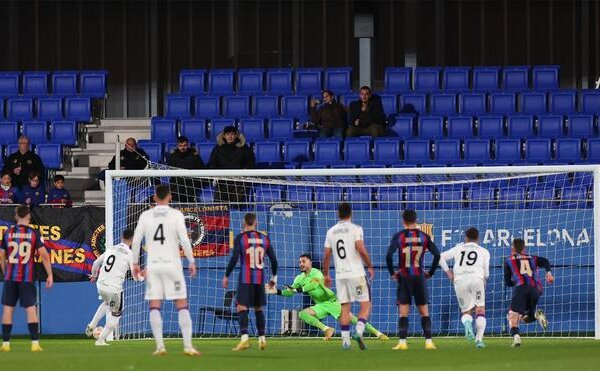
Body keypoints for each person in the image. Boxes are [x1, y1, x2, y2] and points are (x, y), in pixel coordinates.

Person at [131, 184, 199, 356]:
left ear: (154, 198)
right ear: (170, 197)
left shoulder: (145, 215)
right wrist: (191, 261)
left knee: (155, 305)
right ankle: (188, 346)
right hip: (173, 266)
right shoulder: (176, 215)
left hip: (153, 266)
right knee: (182, 304)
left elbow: (137, 240)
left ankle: (160, 347)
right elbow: (184, 239)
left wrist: (135, 264)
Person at [269, 253, 387, 341]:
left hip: (332, 302)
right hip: (321, 305)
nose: (301, 264)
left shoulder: (317, 273)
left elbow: (313, 285)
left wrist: (297, 289)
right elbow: (290, 292)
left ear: (310, 263)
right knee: (302, 314)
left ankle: (378, 334)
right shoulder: (299, 278)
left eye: (303, 261)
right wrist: (276, 291)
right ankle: (327, 329)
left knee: (353, 320)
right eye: (300, 262)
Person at [0, 205, 53, 352]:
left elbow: (1, 257)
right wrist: (50, 275)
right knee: (31, 309)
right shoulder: (33, 233)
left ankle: (5, 344)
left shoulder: (8, 233)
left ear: (16, 216)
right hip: (27, 278)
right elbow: (44, 256)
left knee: (7, 310)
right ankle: (35, 344)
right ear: (28, 216)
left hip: (11, 277)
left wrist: (6, 273)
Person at [385, 209, 441, 351]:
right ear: (416, 220)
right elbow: (437, 255)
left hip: (404, 277)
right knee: (424, 311)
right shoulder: (424, 236)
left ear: (403, 221)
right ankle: (429, 342)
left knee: (403, 312)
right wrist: (431, 272)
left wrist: (393, 273)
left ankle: (402, 342)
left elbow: (389, 256)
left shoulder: (399, 236)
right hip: (419, 277)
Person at [322, 203, 374, 350]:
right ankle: (358, 331)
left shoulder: (331, 231)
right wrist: (370, 265)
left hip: (340, 275)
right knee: (365, 304)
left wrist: (326, 275)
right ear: (351, 214)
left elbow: (326, 255)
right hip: (356, 273)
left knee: (345, 308)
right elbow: (361, 249)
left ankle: (345, 341)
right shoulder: (355, 229)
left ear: (338, 214)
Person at [223, 213, 278, 351]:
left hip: (245, 279)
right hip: (259, 279)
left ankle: (245, 339)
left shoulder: (241, 238)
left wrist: (226, 275)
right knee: (259, 309)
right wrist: (273, 279)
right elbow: (274, 260)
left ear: (244, 223)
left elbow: (234, 258)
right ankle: (262, 339)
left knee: (241, 307)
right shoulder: (264, 238)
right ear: (256, 222)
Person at [438, 227, 490, 348]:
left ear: (465, 238)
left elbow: (440, 257)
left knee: (466, 311)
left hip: (459, 280)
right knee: (480, 309)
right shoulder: (484, 251)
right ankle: (479, 340)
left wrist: (448, 272)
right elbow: (486, 274)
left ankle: (467, 322)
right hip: (476, 279)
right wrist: (483, 280)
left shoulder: (458, 248)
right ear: (478, 239)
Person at [88, 229, 140, 346]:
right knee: (116, 313)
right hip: (114, 288)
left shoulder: (111, 249)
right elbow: (136, 277)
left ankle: (92, 325)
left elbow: (96, 263)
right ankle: (100, 340)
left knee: (107, 303)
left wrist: (94, 275)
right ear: (132, 240)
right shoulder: (130, 254)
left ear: (121, 237)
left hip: (100, 285)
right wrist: (142, 277)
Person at [504, 238, 554, 348]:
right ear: (524, 248)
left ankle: (516, 338)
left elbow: (507, 281)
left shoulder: (509, 260)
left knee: (512, 315)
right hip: (535, 290)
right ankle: (536, 315)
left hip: (521, 289)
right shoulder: (533, 258)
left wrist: (515, 282)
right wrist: (549, 273)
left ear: (512, 248)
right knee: (524, 317)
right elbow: (545, 261)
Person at [209, 126, 255, 205]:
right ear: (224, 136)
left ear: (236, 135)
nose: (230, 136)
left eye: (232, 134)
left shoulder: (244, 148)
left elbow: (251, 163)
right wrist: (214, 176)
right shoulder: (218, 148)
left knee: (238, 204)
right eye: (227, 134)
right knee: (219, 206)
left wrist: (245, 172)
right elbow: (212, 163)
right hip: (222, 182)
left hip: (239, 182)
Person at [166, 136, 205, 203]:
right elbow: (170, 170)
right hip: (177, 184)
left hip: (191, 184)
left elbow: (201, 168)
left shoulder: (194, 155)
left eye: (184, 145)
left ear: (188, 145)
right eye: (180, 145)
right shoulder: (173, 156)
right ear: (177, 146)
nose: (183, 147)